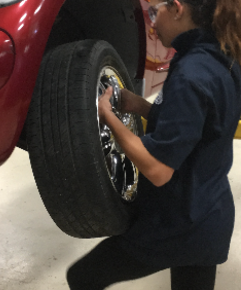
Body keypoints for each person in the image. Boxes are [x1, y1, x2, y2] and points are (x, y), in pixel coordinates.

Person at [66, 0, 241, 289]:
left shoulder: (190, 73)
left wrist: (110, 119)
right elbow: (201, 126)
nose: (152, 22)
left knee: (84, 277)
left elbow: (158, 169)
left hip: (177, 223)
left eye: (154, 11)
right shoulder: (222, 60)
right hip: (211, 214)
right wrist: (142, 107)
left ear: (177, 8)